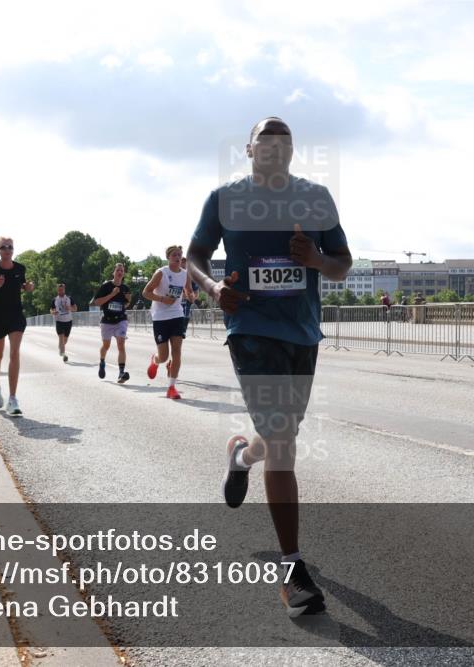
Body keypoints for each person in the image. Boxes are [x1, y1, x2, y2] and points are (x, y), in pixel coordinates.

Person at [187, 116, 352, 617]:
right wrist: (214, 289)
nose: (276, 149)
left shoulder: (315, 198)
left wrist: (317, 261)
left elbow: (343, 261)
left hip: (302, 331)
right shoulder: (224, 199)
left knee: (281, 435)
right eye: (266, 141)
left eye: (285, 143)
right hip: (252, 331)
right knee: (283, 438)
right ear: (249, 149)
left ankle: (241, 457)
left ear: (292, 152)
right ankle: (293, 570)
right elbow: (196, 253)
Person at [0, 236, 34, 416]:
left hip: (16, 315)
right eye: (4, 247)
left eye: (10, 247)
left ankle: (12, 398)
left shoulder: (20, 268)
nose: (7, 250)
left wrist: (28, 287)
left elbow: (23, 286)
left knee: (14, 352)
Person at [143, 245, 188, 399]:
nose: (178, 257)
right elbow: (146, 292)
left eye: (180, 255)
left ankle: (171, 387)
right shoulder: (161, 273)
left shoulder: (184, 274)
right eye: (175, 255)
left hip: (177, 315)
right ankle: (155, 361)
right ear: (168, 257)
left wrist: (192, 295)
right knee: (163, 356)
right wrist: (163, 299)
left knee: (177, 352)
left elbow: (187, 290)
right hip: (160, 317)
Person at [92, 263, 132, 382]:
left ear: (123, 273)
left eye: (122, 270)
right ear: (113, 272)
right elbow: (97, 302)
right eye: (118, 270)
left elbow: (125, 304)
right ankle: (102, 362)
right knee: (106, 345)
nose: (120, 272)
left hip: (121, 319)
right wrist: (112, 294)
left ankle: (121, 373)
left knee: (121, 344)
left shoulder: (125, 288)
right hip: (107, 321)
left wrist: (128, 301)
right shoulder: (106, 286)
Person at [49, 283, 78, 362]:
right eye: (59, 290)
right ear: (57, 290)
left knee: (65, 339)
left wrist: (70, 308)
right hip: (59, 321)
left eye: (61, 290)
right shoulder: (55, 299)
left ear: (64, 290)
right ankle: (63, 354)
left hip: (68, 321)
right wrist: (53, 312)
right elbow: (51, 309)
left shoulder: (69, 298)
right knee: (61, 338)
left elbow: (75, 308)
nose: (60, 291)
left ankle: (61, 348)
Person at [180, 256, 200, 335]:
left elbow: (196, 290)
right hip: (175, 301)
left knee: (186, 315)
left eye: (185, 263)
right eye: (182, 263)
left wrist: (193, 297)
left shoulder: (190, 275)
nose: (183, 265)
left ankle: (183, 331)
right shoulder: (174, 274)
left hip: (187, 300)